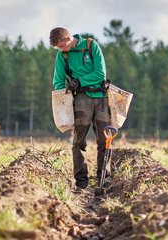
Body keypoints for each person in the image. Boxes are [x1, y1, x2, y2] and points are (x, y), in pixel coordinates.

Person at [49, 27, 111, 191]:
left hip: (101, 99)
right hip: (81, 99)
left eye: (62, 46)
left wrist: (79, 80)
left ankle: (104, 179)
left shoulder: (91, 46)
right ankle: (81, 182)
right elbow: (58, 80)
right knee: (78, 142)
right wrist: (62, 100)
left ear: (69, 39)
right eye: (59, 48)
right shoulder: (62, 55)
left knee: (105, 141)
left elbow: (100, 74)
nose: (61, 49)